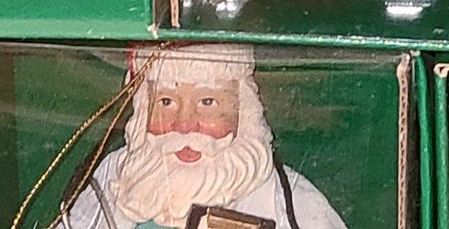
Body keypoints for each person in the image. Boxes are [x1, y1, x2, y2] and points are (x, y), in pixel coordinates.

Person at [62, 44, 347, 229]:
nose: (185, 125)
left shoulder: (292, 204)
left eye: (207, 102)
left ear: (243, 113)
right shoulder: (113, 178)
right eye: (166, 102)